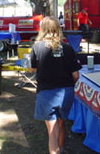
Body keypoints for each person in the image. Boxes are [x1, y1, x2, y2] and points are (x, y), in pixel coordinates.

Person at [29, 16, 82, 154]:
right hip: (66, 93)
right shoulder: (68, 48)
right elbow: (76, 75)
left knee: (52, 131)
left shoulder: (37, 46)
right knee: (61, 123)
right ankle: (60, 149)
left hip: (46, 93)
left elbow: (31, 69)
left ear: (43, 29)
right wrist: (70, 86)